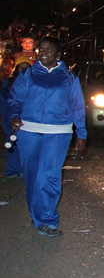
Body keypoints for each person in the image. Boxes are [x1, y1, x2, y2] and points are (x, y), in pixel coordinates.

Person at [7, 36, 87, 237]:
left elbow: (77, 107)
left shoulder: (69, 78)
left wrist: (81, 133)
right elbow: (14, 99)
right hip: (29, 131)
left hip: (58, 133)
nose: (43, 53)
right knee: (33, 176)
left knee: (49, 175)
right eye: (40, 49)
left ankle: (48, 220)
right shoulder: (27, 75)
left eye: (48, 49)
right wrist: (14, 115)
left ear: (58, 54)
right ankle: (37, 215)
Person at [0, 56, 32, 177]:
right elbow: (4, 101)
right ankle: (13, 170)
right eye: (21, 67)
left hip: (27, 118)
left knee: (27, 145)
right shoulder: (9, 84)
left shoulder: (34, 83)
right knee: (12, 142)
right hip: (11, 117)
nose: (23, 70)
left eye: (26, 67)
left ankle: (25, 170)